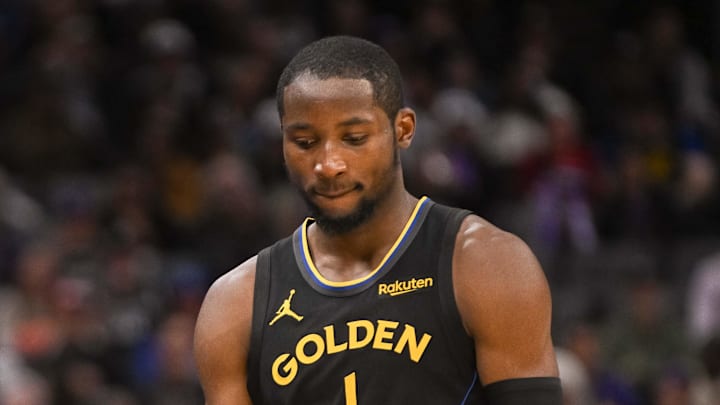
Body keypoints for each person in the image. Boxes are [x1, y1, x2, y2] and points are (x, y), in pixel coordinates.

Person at [193, 35, 561, 404]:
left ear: (403, 129)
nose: (328, 165)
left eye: (353, 138)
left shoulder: (487, 264)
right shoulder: (236, 303)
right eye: (305, 142)